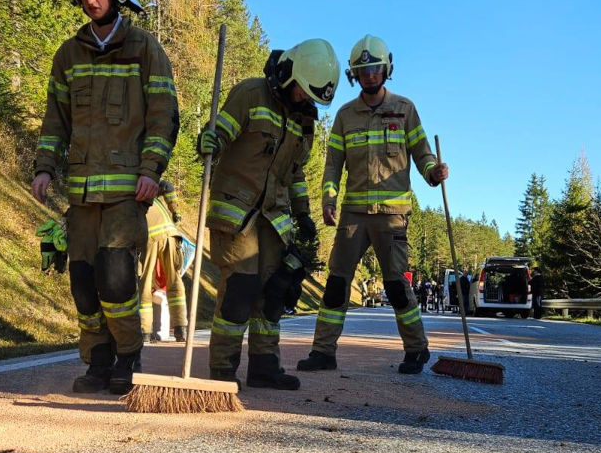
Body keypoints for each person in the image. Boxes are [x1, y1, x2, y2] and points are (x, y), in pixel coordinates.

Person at [30, 0, 179, 395]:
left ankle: (128, 356)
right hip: (81, 196)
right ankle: (97, 360)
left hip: (125, 196)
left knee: (116, 279)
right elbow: (56, 119)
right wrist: (44, 166)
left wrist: (152, 169)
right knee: (83, 284)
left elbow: (163, 115)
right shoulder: (68, 54)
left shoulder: (144, 49)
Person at [297, 36, 448, 375]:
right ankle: (322, 352)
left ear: (386, 69)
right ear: (355, 74)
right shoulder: (344, 116)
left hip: (392, 216)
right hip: (353, 215)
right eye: (363, 70)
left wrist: (433, 172)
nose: (369, 75)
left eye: (374, 69)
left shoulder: (405, 109)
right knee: (337, 282)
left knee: (396, 285)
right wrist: (329, 197)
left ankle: (416, 349)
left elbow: (422, 153)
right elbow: (333, 163)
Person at [197, 39, 338, 389]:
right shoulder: (250, 93)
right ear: (289, 74)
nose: (305, 100)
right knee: (240, 290)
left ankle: (264, 366)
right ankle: (222, 370)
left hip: (274, 220)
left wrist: (304, 216)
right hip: (237, 212)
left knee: (272, 295)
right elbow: (221, 133)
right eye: (303, 92)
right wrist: (209, 139)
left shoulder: (305, 120)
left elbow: (297, 174)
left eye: (312, 97)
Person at [139, 182, 187, 343]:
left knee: (145, 283)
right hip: (170, 233)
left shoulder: (124, 187)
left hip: (150, 237)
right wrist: (176, 212)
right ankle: (181, 328)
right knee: (175, 280)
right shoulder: (147, 180)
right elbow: (168, 186)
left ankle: (145, 330)